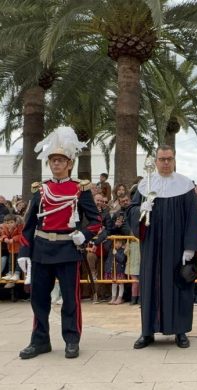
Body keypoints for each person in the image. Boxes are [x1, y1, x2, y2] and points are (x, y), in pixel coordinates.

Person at [17, 128, 101, 359]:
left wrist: (84, 235)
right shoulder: (41, 190)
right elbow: (29, 223)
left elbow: (96, 220)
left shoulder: (79, 189)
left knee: (70, 300)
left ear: (69, 163)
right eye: (53, 160)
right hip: (42, 250)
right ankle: (40, 341)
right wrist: (24, 251)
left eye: (61, 160)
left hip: (67, 249)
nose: (56, 164)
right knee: (39, 299)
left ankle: (71, 339)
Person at [127, 145, 197, 350]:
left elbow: (192, 218)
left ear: (174, 159)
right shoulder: (146, 185)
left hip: (176, 248)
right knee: (150, 286)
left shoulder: (185, 185)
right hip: (152, 247)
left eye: (169, 159)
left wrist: (190, 247)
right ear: (155, 160)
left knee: (179, 287)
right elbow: (131, 211)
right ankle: (147, 332)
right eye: (161, 159)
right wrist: (140, 211)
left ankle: (180, 331)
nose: (165, 163)